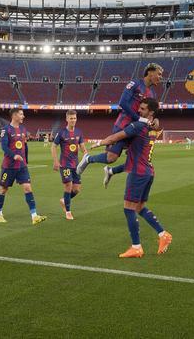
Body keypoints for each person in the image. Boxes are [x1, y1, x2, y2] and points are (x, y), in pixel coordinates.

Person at [93, 98, 171, 258]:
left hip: (138, 173)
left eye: (142, 109)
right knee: (139, 207)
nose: (139, 111)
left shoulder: (138, 125)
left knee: (128, 208)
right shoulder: (152, 127)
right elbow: (154, 123)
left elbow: (116, 137)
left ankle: (136, 247)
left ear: (150, 112)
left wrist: (99, 144)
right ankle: (163, 235)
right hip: (148, 171)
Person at [77, 63, 163, 189]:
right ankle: (88, 158)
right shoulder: (135, 84)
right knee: (111, 157)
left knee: (139, 160)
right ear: (150, 72)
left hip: (139, 128)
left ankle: (111, 171)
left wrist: (155, 120)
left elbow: (153, 113)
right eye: (159, 74)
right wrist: (138, 118)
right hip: (124, 124)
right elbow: (122, 103)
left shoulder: (153, 94)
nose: (160, 77)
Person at [0, 109, 46, 225]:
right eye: (21, 114)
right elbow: (4, 147)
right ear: (14, 116)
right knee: (3, 189)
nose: (23, 116)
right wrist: (14, 156)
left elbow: (25, 146)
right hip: (9, 166)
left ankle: (34, 216)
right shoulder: (6, 130)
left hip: (22, 166)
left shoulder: (23, 129)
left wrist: (26, 161)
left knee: (28, 188)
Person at [52, 110, 86, 220]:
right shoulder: (61, 133)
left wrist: (86, 155)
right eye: (71, 118)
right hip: (65, 164)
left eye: (75, 118)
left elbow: (82, 147)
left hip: (76, 165)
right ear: (67, 119)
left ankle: (64, 200)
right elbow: (53, 147)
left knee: (76, 190)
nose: (73, 120)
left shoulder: (79, 132)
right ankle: (68, 212)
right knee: (68, 185)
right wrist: (56, 161)